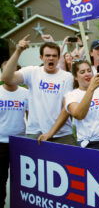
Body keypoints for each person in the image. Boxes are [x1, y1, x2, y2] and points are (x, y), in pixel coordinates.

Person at [1, 36, 75, 145]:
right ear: (41, 57)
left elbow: (66, 108)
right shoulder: (32, 72)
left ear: (59, 58)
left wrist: (50, 133)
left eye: (54, 56)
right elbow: (7, 78)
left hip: (62, 134)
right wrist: (18, 51)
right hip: (35, 132)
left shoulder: (67, 76)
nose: (51, 58)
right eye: (47, 55)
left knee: (69, 162)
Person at [0, 61, 28, 208]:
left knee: (22, 180)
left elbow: (31, 116)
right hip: (1, 143)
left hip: (20, 142)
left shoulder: (25, 93)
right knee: (1, 179)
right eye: (6, 70)